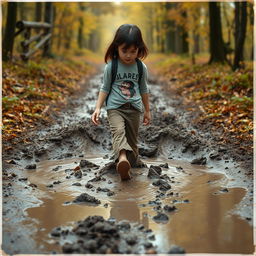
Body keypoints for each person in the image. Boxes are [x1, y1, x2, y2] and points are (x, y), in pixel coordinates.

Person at [91, 24, 151, 181]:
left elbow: (144, 89)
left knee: (133, 144)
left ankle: (127, 162)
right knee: (118, 132)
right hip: (115, 108)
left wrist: (147, 110)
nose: (129, 55)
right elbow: (104, 88)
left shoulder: (140, 67)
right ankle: (122, 157)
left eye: (133, 51)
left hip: (134, 109)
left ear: (139, 49)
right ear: (117, 47)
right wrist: (97, 108)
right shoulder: (112, 66)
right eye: (125, 51)